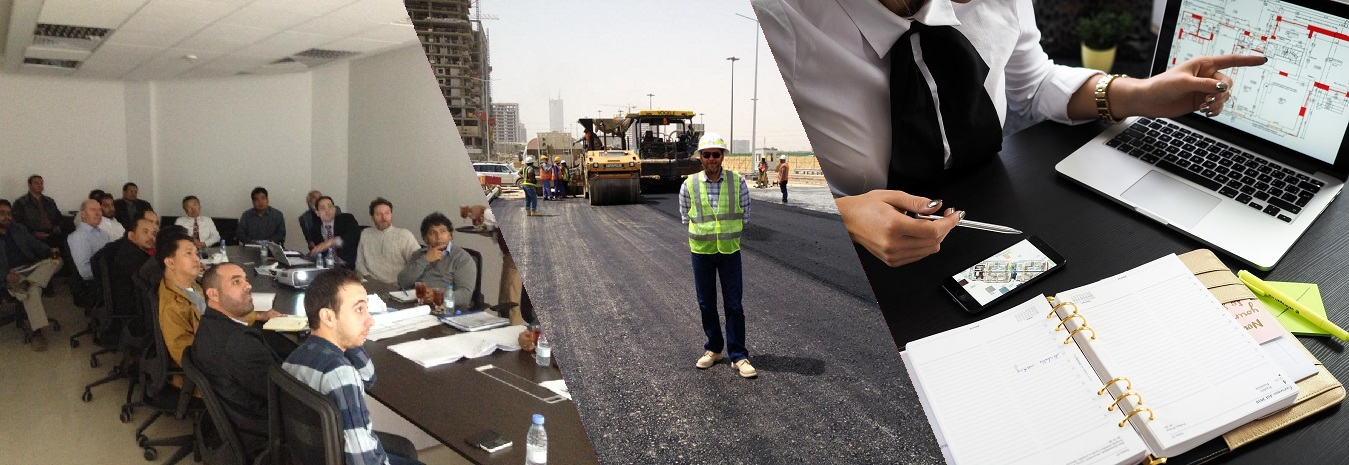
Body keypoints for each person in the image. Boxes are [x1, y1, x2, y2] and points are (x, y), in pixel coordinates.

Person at [752, 0, 1265, 266]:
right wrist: (845, 217)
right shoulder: (773, 20)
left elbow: (1032, 80)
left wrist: (1139, 95)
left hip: (995, 210)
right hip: (866, 265)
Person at [282, 268, 424, 465]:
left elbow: (369, 378)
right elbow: (362, 460)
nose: (370, 320)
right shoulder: (341, 374)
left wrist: (349, 338)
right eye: (359, 310)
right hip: (344, 458)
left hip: (316, 455)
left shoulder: (294, 358)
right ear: (328, 317)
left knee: (404, 449)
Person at [159, 228, 283, 377]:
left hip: (224, 344)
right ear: (170, 262)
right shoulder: (173, 305)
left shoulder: (192, 286)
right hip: (218, 371)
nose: (196, 259)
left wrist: (258, 316)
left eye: (196, 253)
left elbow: (223, 310)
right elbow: (183, 355)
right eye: (188, 253)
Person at [681, 133, 756, 378]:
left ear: (722, 156)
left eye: (716, 154)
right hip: (701, 252)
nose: (711, 159)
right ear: (700, 157)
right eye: (707, 155)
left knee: (734, 304)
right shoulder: (689, 184)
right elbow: (685, 216)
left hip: (729, 251)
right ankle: (714, 349)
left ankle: (738, 355)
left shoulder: (738, 182)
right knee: (706, 303)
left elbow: (745, 214)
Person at [192, 263, 279, 460]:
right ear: (213, 294)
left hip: (238, 418)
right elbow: (283, 393)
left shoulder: (209, 324)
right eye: (236, 282)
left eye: (245, 280)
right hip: (262, 428)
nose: (248, 286)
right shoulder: (240, 344)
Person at [1, 199, 62, 351]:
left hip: (32, 268)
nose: (7, 217)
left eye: (9, 213)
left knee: (57, 261)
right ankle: (37, 333)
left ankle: (26, 283)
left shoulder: (19, 229)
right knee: (33, 291)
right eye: (2, 213)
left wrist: (49, 250)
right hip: (12, 274)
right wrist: (5, 276)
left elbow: (36, 245)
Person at [396, 213, 475, 312]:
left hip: (445, 310)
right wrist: (425, 259)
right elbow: (402, 282)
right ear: (425, 239)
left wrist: (437, 295)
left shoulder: (462, 258)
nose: (439, 237)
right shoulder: (419, 254)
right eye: (433, 232)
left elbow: (465, 296)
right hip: (416, 307)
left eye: (443, 231)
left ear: (450, 235)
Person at [355, 198, 420, 285]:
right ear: (372, 217)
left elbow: (417, 263)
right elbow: (360, 262)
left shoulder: (405, 236)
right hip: (371, 283)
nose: (383, 217)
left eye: (387, 213)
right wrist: (368, 279)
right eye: (378, 214)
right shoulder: (365, 234)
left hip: (397, 286)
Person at [110, 211, 158, 324]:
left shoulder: (139, 251)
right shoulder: (131, 256)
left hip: (141, 300)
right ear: (132, 236)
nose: (151, 237)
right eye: (145, 232)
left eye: (153, 234)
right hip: (136, 307)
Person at [11, 174, 64, 249]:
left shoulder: (49, 201)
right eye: (36, 183)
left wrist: (57, 227)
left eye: (41, 183)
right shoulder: (21, 203)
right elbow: (18, 223)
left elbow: (59, 217)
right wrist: (33, 233)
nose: (40, 185)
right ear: (29, 185)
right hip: (32, 236)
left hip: (52, 233)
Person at [306, 196, 361, 268]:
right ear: (317, 213)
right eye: (322, 208)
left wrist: (332, 241)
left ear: (334, 209)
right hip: (327, 267)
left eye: (330, 206)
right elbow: (319, 253)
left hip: (349, 266)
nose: (327, 210)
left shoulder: (346, 219)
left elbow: (353, 236)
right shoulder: (315, 229)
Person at [68, 199, 112, 282]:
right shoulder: (79, 236)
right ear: (83, 214)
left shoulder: (103, 234)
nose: (97, 213)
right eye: (92, 210)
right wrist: (111, 271)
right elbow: (85, 272)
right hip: (98, 282)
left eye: (99, 210)